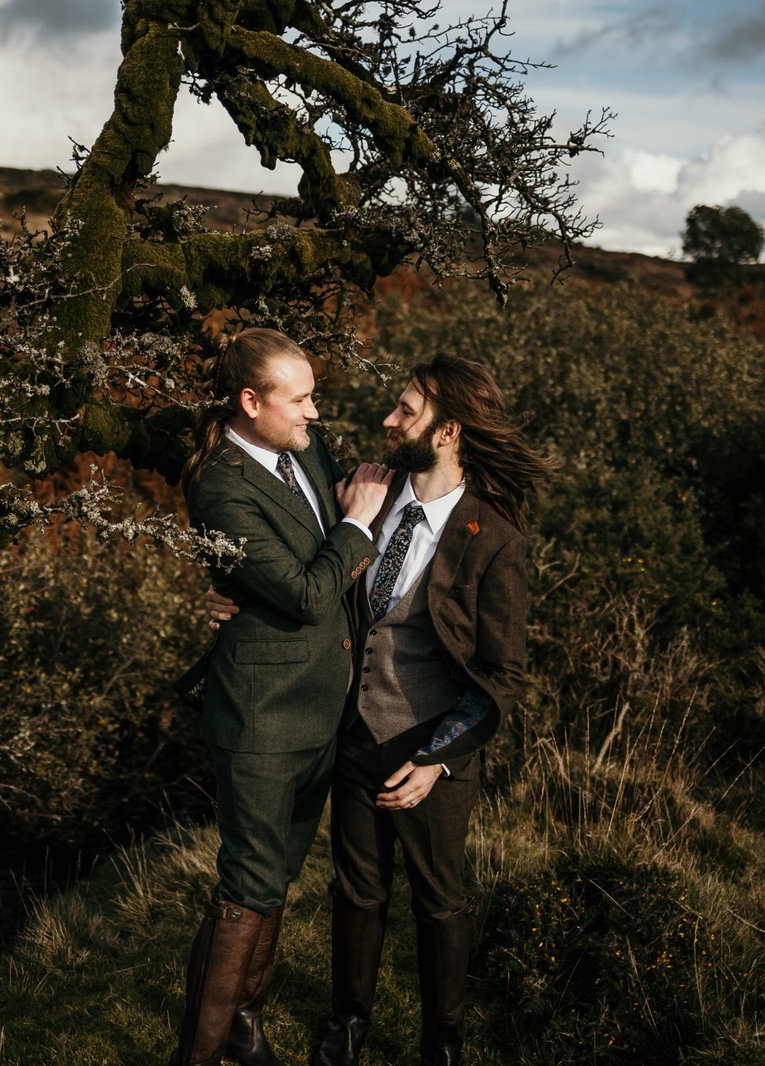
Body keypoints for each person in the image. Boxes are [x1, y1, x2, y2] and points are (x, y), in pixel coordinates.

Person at [207, 354, 548, 1066]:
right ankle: (347, 1023)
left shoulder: (497, 538)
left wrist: (438, 759)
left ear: (448, 431)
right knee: (357, 888)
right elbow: (301, 563)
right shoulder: (368, 490)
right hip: (352, 733)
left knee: (439, 897)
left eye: (406, 411)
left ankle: (443, 1043)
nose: (388, 421)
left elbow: (502, 675)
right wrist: (228, 595)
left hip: (431, 747)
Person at [173, 327, 393, 1066]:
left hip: (318, 709)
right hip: (262, 716)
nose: (314, 413)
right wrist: (358, 522)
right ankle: (197, 1054)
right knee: (249, 882)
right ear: (249, 401)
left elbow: (310, 547)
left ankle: (243, 1027)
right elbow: (304, 593)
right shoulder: (220, 485)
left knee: (274, 879)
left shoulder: (304, 451)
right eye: (299, 398)